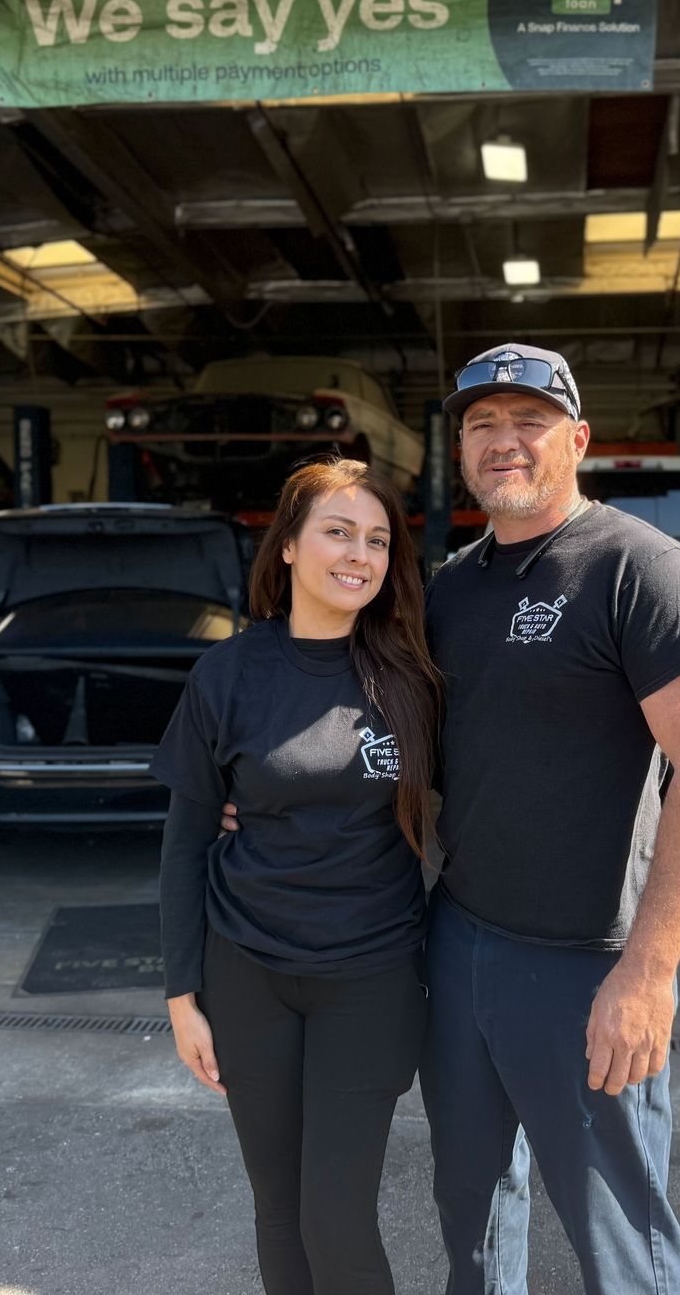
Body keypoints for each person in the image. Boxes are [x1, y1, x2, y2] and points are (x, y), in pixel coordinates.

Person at [421, 344, 680, 1294]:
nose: (504, 441)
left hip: (587, 968)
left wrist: (647, 975)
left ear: (579, 439)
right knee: (471, 1222)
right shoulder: (451, 587)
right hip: (462, 941)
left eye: (529, 420)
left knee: (620, 1245)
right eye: (482, 424)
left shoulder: (638, 569)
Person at [150, 456, 442, 1295]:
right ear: (287, 546)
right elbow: (184, 841)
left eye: (378, 540)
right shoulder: (228, 674)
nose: (359, 554)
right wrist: (182, 994)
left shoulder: (412, 678)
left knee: (336, 1218)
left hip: (373, 978)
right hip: (248, 974)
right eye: (338, 531)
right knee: (277, 1209)